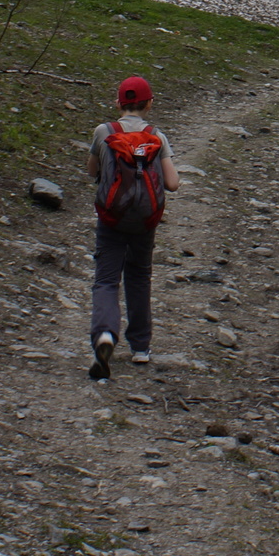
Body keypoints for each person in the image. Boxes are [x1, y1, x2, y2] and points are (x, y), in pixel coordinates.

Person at [86, 74, 180, 379]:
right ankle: (140, 347)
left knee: (106, 280)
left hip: (111, 217)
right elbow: (172, 183)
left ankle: (105, 335)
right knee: (139, 277)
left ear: (118, 103)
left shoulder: (104, 132)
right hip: (144, 221)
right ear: (149, 104)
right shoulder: (158, 136)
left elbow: (92, 172)